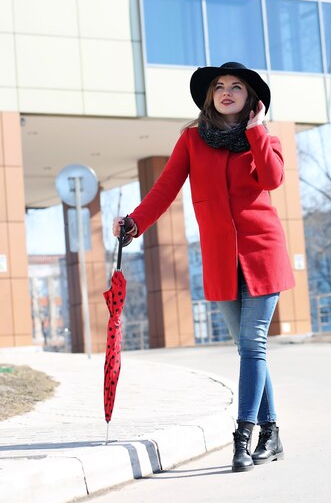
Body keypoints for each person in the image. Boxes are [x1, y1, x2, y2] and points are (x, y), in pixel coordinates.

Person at [113, 61, 296, 472]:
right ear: (209, 96)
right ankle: (272, 433)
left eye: (237, 87)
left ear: (252, 99)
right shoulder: (193, 139)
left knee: (253, 345)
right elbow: (165, 187)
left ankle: (243, 438)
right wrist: (134, 222)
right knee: (248, 349)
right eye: (219, 86)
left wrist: (256, 129)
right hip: (219, 258)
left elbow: (272, 179)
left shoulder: (263, 138)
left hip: (262, 253)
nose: (227, 91)